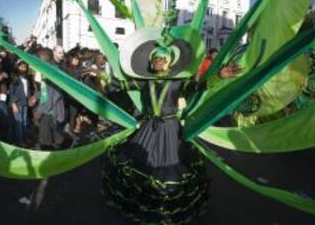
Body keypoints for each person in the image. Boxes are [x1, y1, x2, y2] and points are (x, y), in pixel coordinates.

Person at [102, 48, 240, 223]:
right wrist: (102, 76)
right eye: (155, 58)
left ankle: (164, 209)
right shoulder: (145, 81)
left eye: (162, 58)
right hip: (148, 127)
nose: (158, 61)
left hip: (169, 128)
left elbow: (198, 87)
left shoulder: (179, 81)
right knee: (139, 164)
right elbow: (121, 85)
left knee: (170, 168)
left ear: (169, 62)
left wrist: (218, 76)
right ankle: (144, 205)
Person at [33, 49, 66, 150]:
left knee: (48, 139)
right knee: (56, 136)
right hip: (50, 109)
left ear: (44, 58)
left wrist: (40, 110)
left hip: (50, 110)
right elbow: (44, 90)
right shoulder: (49, 70)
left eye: (38, 59)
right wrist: (35, 96)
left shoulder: (51, 72)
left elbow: (50, 95)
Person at [9, 60, 38, 146]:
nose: (23, 69)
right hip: (17, 103)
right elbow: (11, 92)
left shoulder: (26, 78)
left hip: (24, 103)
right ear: (17, 67)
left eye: (25, 67)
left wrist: (30, 99)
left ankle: (24, 138)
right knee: (19, 123)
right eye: (21, 67)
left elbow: (28, 91)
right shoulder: (14, 78)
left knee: (24, 122)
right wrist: (13, 104)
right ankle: (19, 140)